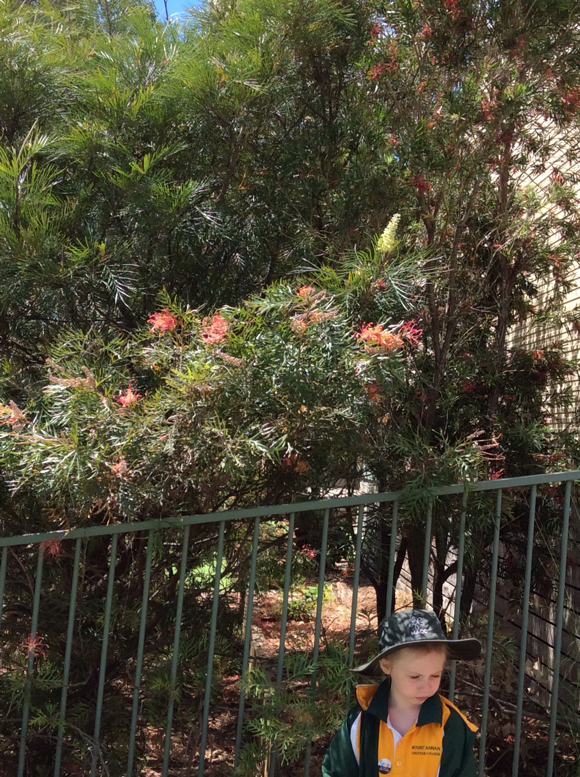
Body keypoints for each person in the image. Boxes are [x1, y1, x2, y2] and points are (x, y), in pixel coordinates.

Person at [322, 609, 481, 776]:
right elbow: (335, 771)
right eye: (414, 677)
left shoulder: (451, 725)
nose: (426, 687)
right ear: (386, 666)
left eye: (435, 675)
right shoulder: (361, 719)